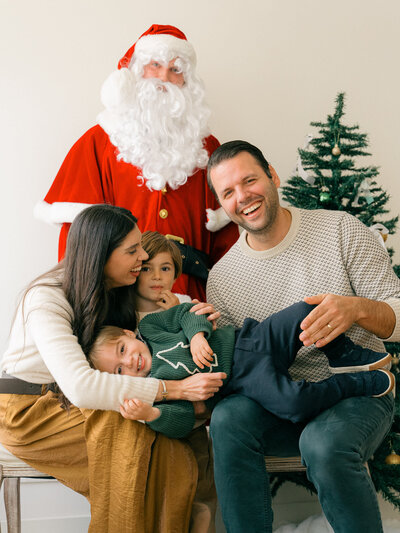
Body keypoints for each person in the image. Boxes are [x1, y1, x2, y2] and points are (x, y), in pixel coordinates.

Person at [205, 140, 400, 533]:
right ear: (222, 205)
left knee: (322, 444)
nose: (243, 197)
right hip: (278, 403)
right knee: (226, 418)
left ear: (273, 176)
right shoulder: (222, 278)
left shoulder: (340, 229)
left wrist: (356, 308)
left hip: (359, 392)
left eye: (250, 180)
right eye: (228, 192)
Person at [0, 204, 226, 533]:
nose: (142, 259)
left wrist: (192, 319)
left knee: (178, 436)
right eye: (132, 251)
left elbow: (148, 337)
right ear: (102, 254)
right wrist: (173, 391)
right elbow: (82, 386)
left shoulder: (111, 290)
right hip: (27, 411)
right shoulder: (46, 298)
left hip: (72, 404)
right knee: (137, 442)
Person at [33, 24, 238, 301]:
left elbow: (230, 243)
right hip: (118, 301)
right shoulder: (97, 143)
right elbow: (79, 238)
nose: (164, 78)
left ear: (187, 82)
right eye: (155, 65)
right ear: (137, 70)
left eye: (176, 70)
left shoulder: (208, 147)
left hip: (191, 302)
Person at [89, 301, 394, 438]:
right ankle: (351, 384)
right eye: (119, 371)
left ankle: (343, 356)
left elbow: (184, 312)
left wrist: (196, 335)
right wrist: (151, 415)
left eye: (122, 350)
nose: (129, 362)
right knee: (293, 403)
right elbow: (182, 421)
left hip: (250, 338)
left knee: (305, 311)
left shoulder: (150, 327)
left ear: (127, 335)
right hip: (246, 379)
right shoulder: (157, 389)